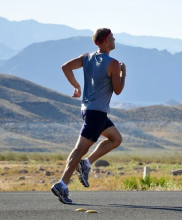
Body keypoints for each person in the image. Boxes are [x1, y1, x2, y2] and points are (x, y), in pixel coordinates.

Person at [51, 28, 126, 204]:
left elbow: (65, 67)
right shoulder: (113, 64)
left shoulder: (87, 57)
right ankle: (62, 184)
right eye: (113, 38)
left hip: (89, 110)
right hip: (96, 113)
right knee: (79, 149)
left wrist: (76, 86)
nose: (114, 41)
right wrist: (124, 72)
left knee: (116, 139)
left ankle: (86, 164)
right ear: (106, 40)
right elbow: (118, 90)